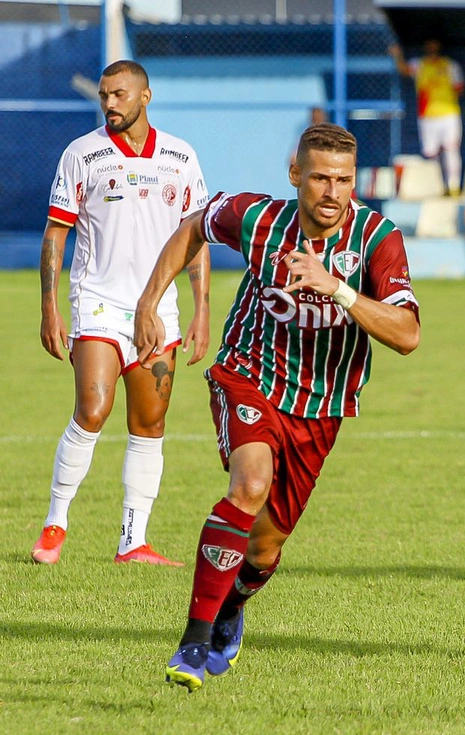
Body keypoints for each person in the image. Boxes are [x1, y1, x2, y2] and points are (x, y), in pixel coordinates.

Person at [132, 122, 421, 691]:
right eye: (318, 178)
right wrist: (150, 299)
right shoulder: (259, 219)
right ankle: (193, 640)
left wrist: (336, 287)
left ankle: (234, 602)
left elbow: (408, 334)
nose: (331, 192)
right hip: (249, 375)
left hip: (321, 406)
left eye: (342, 180)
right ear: (295, 176)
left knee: (264, 548)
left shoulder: (378, 239)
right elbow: (194, 227)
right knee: (249, 484)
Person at [33, 60, 211, 567]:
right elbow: (56, 234)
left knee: (149, 423)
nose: (110, 104)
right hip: (98, 304)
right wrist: (49, 308)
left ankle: (133, 540)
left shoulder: (181, 156)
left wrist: (201, 311)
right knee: (93, 409)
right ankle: (55, 523)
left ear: (145, 96)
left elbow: (196, 238)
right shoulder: (82, 155)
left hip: (159, 311)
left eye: (119, 95)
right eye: (104, 96)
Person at [390, 39, 465, 195]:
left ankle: (453, 186)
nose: (432, 47)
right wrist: (397, 56)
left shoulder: (450, 65)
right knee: (431, 153)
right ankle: (438, 186)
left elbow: (459, 88)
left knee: (451, 149)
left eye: (434, 43)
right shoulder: (419, 64)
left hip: (449, 113)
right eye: (429, 44)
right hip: (427, 115)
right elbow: (404, 70)